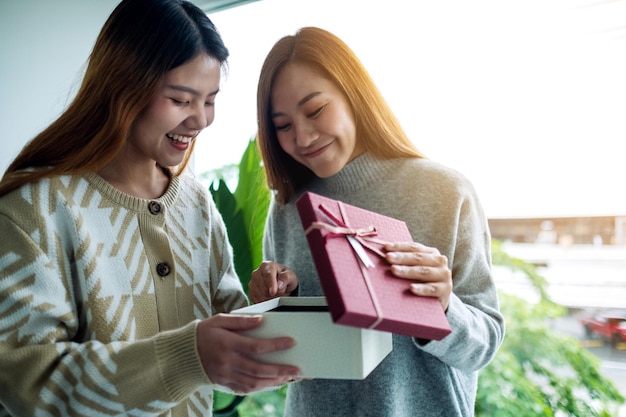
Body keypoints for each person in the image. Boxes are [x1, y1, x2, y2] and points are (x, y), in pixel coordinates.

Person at [0, 1, 301, 416]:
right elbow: (28, 385)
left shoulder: (195, 202)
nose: (200, 120)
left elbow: (222, 315)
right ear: (122, 89)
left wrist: (265, 304)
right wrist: (186, 358)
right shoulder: (34, 211)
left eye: (210, 100)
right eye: (181, 100)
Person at [248, 26, 505, 417]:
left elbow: (484, 345)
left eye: (315, 110)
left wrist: (442, 309)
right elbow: (296, 358)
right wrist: (280, 307)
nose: (302, 137)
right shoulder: (287, 209)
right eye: (282, 125)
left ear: (354, 94)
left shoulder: (445, 192)